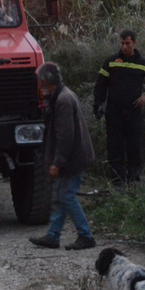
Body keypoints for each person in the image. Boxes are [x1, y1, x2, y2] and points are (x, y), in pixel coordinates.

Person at [29, 61, 97, 251]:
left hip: (73, 159)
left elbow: (65, 136)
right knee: (60, 196)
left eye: (40, 81)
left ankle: (86, 236)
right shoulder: (63, 96)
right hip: (73, 157)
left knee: (67, 196)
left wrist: (56, 163)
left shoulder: (63, 101)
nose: (39, 86)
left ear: (46, 81)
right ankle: (53, 236)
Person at [93, 29, 145, 185]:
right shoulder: (111, 62)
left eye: (128, 43)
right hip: (114, 112)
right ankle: (117, 181)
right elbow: (101, 85)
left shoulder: (143, 64)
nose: (124, 47)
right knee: (114, 146)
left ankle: (134, 179)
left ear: (135, 43)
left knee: (134, 145)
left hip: (133, 112)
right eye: (122, 43)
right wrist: (98, 104)